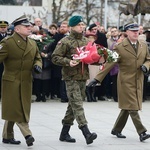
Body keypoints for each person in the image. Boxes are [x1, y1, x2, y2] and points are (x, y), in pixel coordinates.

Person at [88, 22, 150, 142]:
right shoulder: (120, 47)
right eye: (133, 31)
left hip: (139, 80)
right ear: (126, 32)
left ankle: (116, 129)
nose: (136, 33)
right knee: (133, 107)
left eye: (137, 31)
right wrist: (96, 79)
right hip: (125, 81)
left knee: (127, 107)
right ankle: (142, 132)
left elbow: (148, 59)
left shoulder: (143, 45)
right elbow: (109, 63)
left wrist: (146, 66)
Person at [51, 15, 97, 145]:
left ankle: (64, 133)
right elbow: (55, 57)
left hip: (83, 76)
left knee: (73, 105)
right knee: (77, 104)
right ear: (72, 26)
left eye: (83, 25)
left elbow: (89, 57)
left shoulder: (85, 41)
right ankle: (86, 131)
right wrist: (68, 61)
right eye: (79, 25)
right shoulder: (65, 41)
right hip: (70, 77)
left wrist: (97, 59)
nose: (82, 27)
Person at [0, 15, 42, 146]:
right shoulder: (7, 43)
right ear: (17, 29)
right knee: (18, 109)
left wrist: (37, 65)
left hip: (26, 81)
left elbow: (38, 58)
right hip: (11, 81)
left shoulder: (32, 43)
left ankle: (7, 136)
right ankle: (27, 134)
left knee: (13, 108)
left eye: (30, 26)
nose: (30, 28)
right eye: (26, 26)